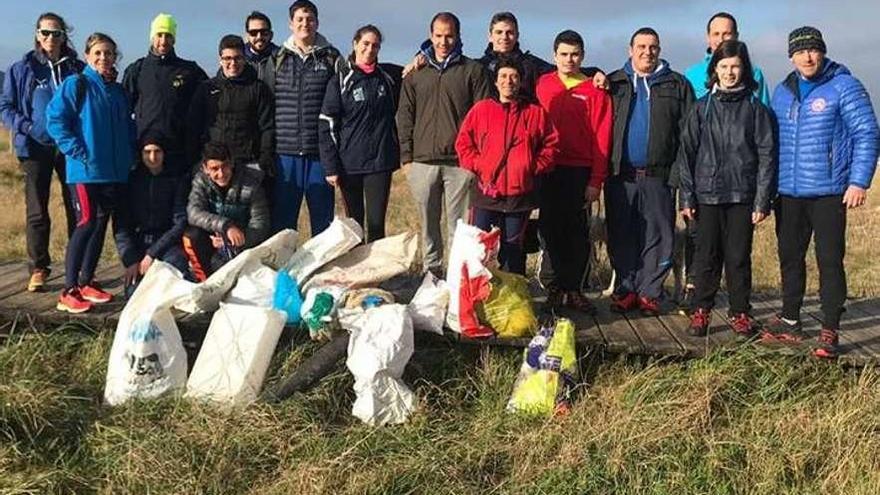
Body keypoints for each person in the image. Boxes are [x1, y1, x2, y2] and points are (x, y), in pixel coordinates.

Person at [764, 27, 880, 358]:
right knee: (789, 257)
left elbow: (867, 133)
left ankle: (830, 328)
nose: (808, 56)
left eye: (814, 50)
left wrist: (859, 181)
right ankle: (790, 320)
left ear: (823, 52)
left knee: (829, 260)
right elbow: (772, 143)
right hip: (788, 191)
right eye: (801, 51)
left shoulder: (845, 86)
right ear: (791, 56)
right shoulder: (782, 92)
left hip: (830, 191)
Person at [675, 40, 777, 338]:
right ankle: (702, 310)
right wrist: (687, 196)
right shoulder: (701, 108)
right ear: (714, 70)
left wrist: (762, 200)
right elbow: (687, 154)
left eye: (735, 66)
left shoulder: (756, 110)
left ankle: (740, 312)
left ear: (744, 70)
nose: (729, 72)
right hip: (706, 195)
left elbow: (767, 155)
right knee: (706, 256)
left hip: (742, 196)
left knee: (738, 257)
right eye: (723, 66)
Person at [605, 27, 694, 316]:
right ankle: (626, 289)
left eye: (653, 47)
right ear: (630, 49)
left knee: (658, 234)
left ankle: (650, 292)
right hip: (621, 174)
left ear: (660, 50)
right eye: (641, 46)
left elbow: (688, 134)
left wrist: (680, 173)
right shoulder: (613, 82)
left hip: (659, 174)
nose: (647, 52)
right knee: (621, 233)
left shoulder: (677, 84)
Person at [396, 12, 492, 276]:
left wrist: (477, 160)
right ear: (430, 36)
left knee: (459, 228)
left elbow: (485, 118)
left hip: (461, 164)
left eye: (449, 35)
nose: (443, 41)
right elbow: (404, 115)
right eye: (438, 35)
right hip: (422, 162)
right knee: (428, 226)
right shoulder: (416, 74)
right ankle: (431, 275)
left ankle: (458, 279)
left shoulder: (473, 70)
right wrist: (406, 158)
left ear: (458, 36)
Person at [46, 32, 133, 313]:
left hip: (113, 172)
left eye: (108, 53)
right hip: (84, 171)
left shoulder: (118, 91)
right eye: (98, 53)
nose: (103, 58)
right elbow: (55, 119)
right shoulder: (77, 84)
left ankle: (86, 281)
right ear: (87, 56)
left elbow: (127, 129)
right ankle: (68, 290)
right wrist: (78, 151)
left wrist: (129, 157)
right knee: (85, 223)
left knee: (100, 224)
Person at [0, 12, 82, 292]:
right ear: (37, 35)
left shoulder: (77, 69)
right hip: (34, 148)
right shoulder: (20, 69)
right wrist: (27, 127)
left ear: (63, 36)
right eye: (45, 32)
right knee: (37, 210)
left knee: (76, 207)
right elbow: (5, 106)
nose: (50, 38)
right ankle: (38, 268)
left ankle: (78, 265)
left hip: (69, 147)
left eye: (56, 33)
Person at [455, 55, 559, 275]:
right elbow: (464, 143)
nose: (508, 81)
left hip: (519, 196)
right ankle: (478, 300)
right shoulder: (481, 110)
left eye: (514, 76)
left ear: (521, 81)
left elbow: (551, 145)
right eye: (503, 76)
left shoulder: (535, 113)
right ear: (495, 81)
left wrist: (532, 166)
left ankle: (514, 301)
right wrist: (479, 164)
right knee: (479, 249)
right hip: (486, 193)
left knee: (514, 250)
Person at [534, 30, 612, 311]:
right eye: (564, 54)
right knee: (550, 229)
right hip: (547, 169)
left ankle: (574, 289)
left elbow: (602, 136)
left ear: (583, 56)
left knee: (577, 232)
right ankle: (554, 289)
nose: (569, 59)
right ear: (554, 56)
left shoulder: (595, 89)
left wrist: (596, 180)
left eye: (575, 54)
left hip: (580, 170)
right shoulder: (542, 85)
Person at [318, 25, 399, 243]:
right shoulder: (340, 80)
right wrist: (331, 167)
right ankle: (357, 273)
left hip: (380, 163)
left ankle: (376, 276)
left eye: (375, 45)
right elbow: (327, 124)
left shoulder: (388, 77)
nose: (370, 49)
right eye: (366, 44)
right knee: (354, 225)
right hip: (349, 165)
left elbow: (414, 69)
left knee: (376, 225)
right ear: (355, 44)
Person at [272, 0, 343, 236]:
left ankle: (319, 271)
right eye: (300, 19)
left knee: (323, 223)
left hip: (319, 152)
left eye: (310, 19)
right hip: (285, 152)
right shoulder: (277, 58)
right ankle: (284, 270)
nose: (305, 24)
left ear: (317, 23)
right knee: (283, 224)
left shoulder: (332, 57)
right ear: (291, 24)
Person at [122, 13, 208, 177]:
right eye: (159, 35)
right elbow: (124, 109)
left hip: (179, 151)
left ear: (174, 39)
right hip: (147, 152)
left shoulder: (189, 70)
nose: (163, 40)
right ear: (152, 37)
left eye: (168, 35)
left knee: (176, 200)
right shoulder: (137, 69)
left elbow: (207, 100)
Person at [114, 133, 190, 296]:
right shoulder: (131, 181)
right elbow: (121, 226)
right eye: (147, 152)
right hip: (138, 245)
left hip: (168, 245)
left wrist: (152, 254)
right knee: (135, 293)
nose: (152, 157)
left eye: (157, 151)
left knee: (174, 278)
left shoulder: (176, 180)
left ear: (164, 153)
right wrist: (130, 260)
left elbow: (180, 222)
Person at [186, 35, 274, 176]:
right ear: (220, 59)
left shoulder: (258, 88)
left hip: (248, 164)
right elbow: (193, 127)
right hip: (213, 164)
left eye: (237, 58)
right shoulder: (206, 88)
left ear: (244, 58)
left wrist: (264, 159)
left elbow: (267, 127)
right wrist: (194, 159)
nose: (233, 63)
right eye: (227, 58)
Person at [183, 142, 270, 281]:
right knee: (191, 235)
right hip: (213, 240)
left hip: (242, 244)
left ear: (232, 163)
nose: (221, 173)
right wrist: (226, 226)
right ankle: (204, 281)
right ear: (205, 168)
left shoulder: (252, 183)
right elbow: (193, 213)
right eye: (215, 168)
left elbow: (261, 225)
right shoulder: (200, 181)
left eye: (225, 166)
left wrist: (233, 240)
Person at [243, 11, 279, 90]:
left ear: (271, 35)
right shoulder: (238, 60)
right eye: (253, 33)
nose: (259, 37)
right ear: (247, 36)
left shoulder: (282, 58)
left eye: (264, 32)